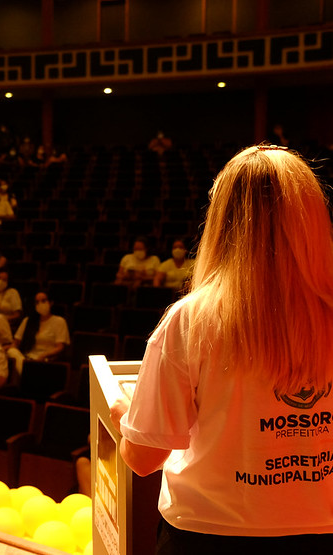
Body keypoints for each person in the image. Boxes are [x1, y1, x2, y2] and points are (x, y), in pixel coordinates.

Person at [110, 146, 333, 552]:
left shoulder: (190, 319)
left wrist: (126, 415)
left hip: (206, 537)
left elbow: (143, 459)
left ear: (223, 221)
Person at [9, 292, 69, 375]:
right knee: (11, 351)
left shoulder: (59, 321)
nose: (40, 304)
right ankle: (27, 372)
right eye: (37, 302)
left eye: (43, 301)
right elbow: (16, 342)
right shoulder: (28, 320)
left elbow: (60, 347)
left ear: (51, 303)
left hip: (45, 359)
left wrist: (43, 355)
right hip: (26, 358)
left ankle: (27, 373)